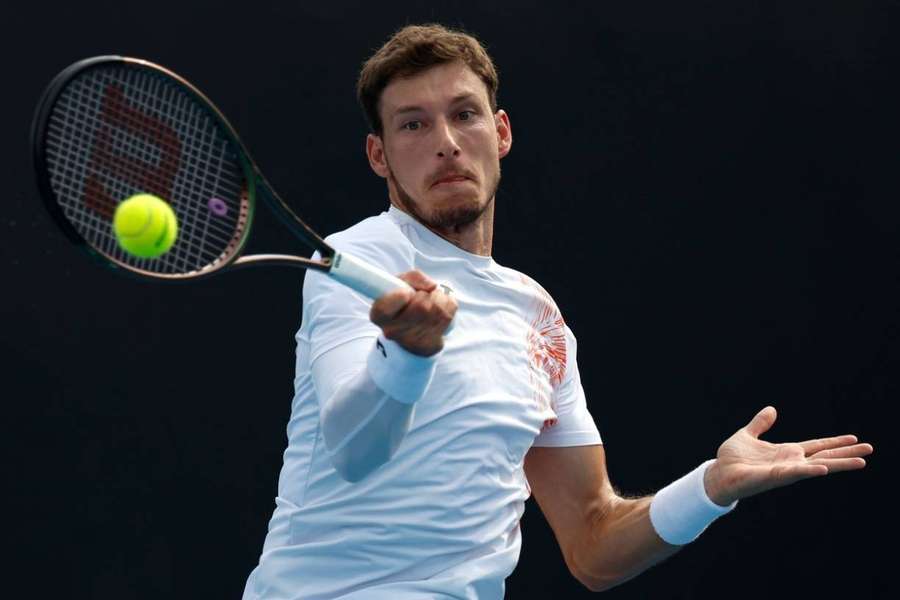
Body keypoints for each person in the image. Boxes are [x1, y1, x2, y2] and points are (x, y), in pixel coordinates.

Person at [242, 24, 873, 600]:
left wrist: (711, 486)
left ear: (502, 132)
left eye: (465, 115)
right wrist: (405, 354)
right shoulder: (356, 257)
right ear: (379, 156)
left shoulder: (536, 315)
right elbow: (354, 452)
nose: (446, 144)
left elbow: (594, 544)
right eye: (413, 125)